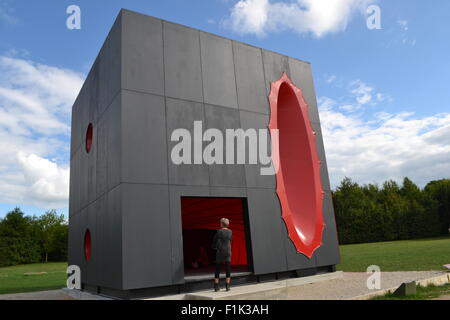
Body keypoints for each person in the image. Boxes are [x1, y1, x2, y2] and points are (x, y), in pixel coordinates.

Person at [212, 218, 232, 292]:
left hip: (220, 251)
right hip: (228, 251)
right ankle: (227, 285)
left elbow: (214, 240)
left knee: (217, 268)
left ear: (221, 224)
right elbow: (230, 241)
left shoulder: (219, 231)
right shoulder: (230, 231)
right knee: (228, 268)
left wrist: (214, 247)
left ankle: (216, 286)